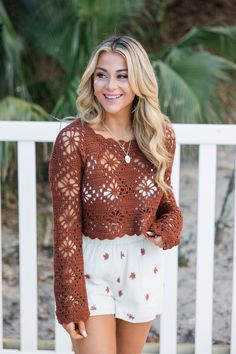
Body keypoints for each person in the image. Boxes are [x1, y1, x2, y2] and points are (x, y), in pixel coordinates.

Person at [48, 34, 183, 354]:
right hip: (91, 271)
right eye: (102, 75)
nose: (111, 85)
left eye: (122, 75)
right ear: (91, 80)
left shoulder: (159, 135)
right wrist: (69, 299)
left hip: (143, 267)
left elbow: (167, 204)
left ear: (139, 81)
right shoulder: (73, 141)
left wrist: (170, 228)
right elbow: (65, 230)